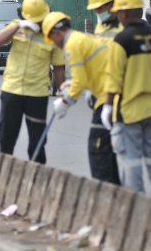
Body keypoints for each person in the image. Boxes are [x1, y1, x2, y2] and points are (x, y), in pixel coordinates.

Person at [102, 0, 151, 199]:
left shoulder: (122, 39)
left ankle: (137, 207)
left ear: (124, 13)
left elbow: (114, 79)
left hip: (129, 112)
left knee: (131, 161)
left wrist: (107, 107)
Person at [41, 12, 120, 185]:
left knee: (97, 148)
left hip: (107, 97)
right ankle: (115, 190)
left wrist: (65, 102)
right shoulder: (80, 38)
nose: (53, 43)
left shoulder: (72, 44)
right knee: (106, 149)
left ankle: (106, 193)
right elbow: (86, 73)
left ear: (56, 32)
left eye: (51, 38)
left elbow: (81, 80)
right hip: (109, 93)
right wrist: (72, 85)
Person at [0, 0, 66, 163]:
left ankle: (37, 182)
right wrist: (18, 26)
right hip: (12, 90)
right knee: (6, 137)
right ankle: (3, 177)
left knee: (37, 143)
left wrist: (64, 96)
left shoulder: (52, 36)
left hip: (37, 95)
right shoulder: (15, 27)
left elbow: (59, 68)